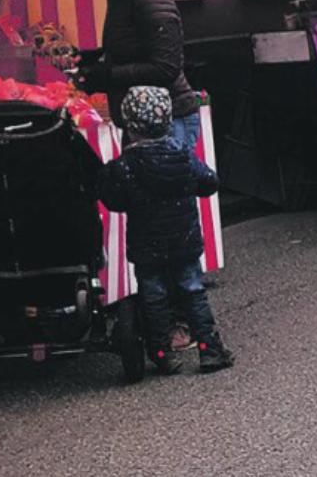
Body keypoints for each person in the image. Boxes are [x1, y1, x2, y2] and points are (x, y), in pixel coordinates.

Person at [98, 86, 233, 373]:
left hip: (147, 245)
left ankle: (162, 352)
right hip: (184, 239)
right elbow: (209, 182)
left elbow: (113, 200)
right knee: (192, 289)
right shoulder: (182, 155)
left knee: (154, 294)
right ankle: (209, 349)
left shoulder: (125, 166)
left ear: (130, 126)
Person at [66, 0, 201, 156]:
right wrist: (95, 58)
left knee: (165, 194)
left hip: (166, 120)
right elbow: (133, 45)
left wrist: (106, 75)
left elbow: (166, 67)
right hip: (144, 120)